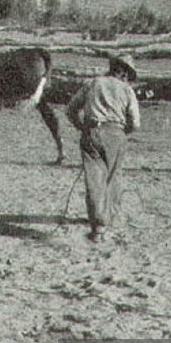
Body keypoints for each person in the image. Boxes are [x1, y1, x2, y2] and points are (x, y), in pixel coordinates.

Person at [66, 54, 140, 243]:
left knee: (95, 180)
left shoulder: (92, 83)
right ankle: (109, 218)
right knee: (113, 178)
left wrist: (81, 126)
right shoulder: (127, 90)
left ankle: (98, 226)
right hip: (117, 134)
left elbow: (71, 109)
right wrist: (123, 133)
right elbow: (135, 123)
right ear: (125, 73)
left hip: (92, 131)